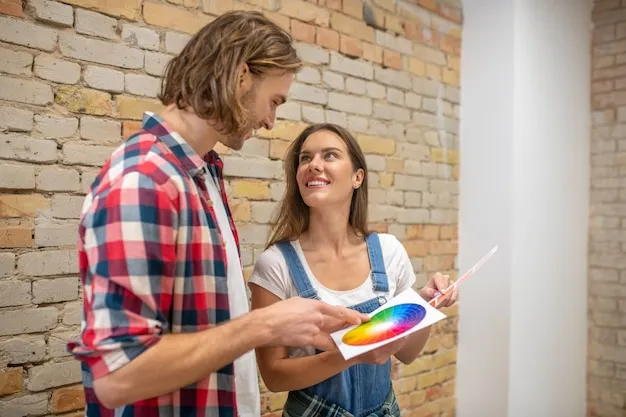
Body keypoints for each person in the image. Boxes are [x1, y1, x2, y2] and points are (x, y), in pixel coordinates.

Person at [67, 12, 368, 417]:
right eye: (274, 101)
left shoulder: (203, 173)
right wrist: (265, 325)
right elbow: (119, 376)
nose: (269, 121)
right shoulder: (145, 180)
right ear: (242, 76)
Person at [248, 123, 458, 417]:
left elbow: (407, 354)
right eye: (305, 158)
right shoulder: (276, 265)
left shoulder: (388, 251)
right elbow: (274, 377)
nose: (314, 165)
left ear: (357, 177)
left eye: (329, 155)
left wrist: (426, 304)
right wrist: (352, 352)